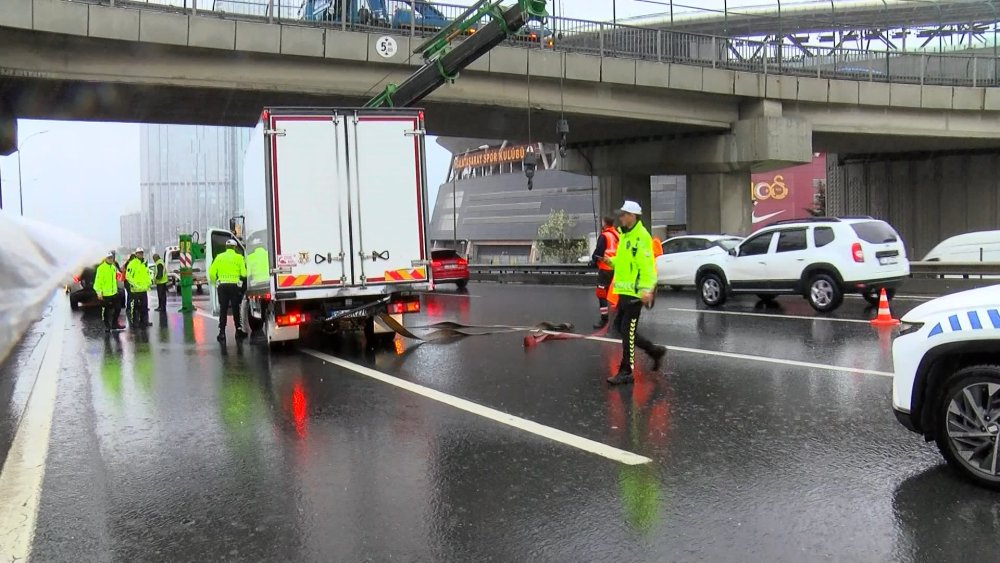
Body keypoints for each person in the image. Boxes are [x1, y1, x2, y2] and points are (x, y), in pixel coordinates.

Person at [599, 201, 667, 386]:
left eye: (623, 214)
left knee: (627, 332)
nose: (620, 217)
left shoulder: (641, 237)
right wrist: (611, 261)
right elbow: (625, 262)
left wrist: (646, 290)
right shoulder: (626, 236)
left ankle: (626, 371)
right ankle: (654, 351)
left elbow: (647, 267)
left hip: (635, 294)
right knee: (622, 329)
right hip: (624, 291)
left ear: (632, 215)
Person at [208, 239, 248, 342]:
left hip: (222, 286)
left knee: (223, 309)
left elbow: (211, 273)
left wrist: (214, 283)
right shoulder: (239, 257)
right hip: (234, 286)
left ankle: (222, 333)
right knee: (235, 308)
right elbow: (244, 274)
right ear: (235, 247)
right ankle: (238, 330)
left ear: (226, 247)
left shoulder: (219, 257)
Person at [590, 216, 619, 329]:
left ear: (604, 223)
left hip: (605, 268)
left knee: (601, 293)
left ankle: (604, 318)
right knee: (614, 294)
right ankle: (616, 318)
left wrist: (593, 260)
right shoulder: (617, 234)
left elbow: (599, 252)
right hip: (616, 269)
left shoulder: (604, 236)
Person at [94, 251, 125, 332]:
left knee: (118, 309)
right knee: (105, 311)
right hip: (105, 294)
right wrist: (99, 293)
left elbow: (118, 277)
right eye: (109, 258)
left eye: (111, 258)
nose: (110, 259)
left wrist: (123, 273)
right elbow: (97, 282)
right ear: (105, 259)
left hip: (114, 293)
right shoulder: (101, 269)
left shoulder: (113, 267)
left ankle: (114, 324)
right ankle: (107, 326)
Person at [125, 247, 152, 329]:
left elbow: (147, 274)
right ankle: (135, 322)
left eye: (141, 253)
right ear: (136, 254)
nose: (140, 254)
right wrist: (134, 285)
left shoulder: (144, 263)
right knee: (135, 307)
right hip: (135, 290)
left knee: (144, 307)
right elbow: (128, 276)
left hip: (144, 289)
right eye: (139, 253)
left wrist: (149, 283)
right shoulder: (132, 263)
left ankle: (144, 322)